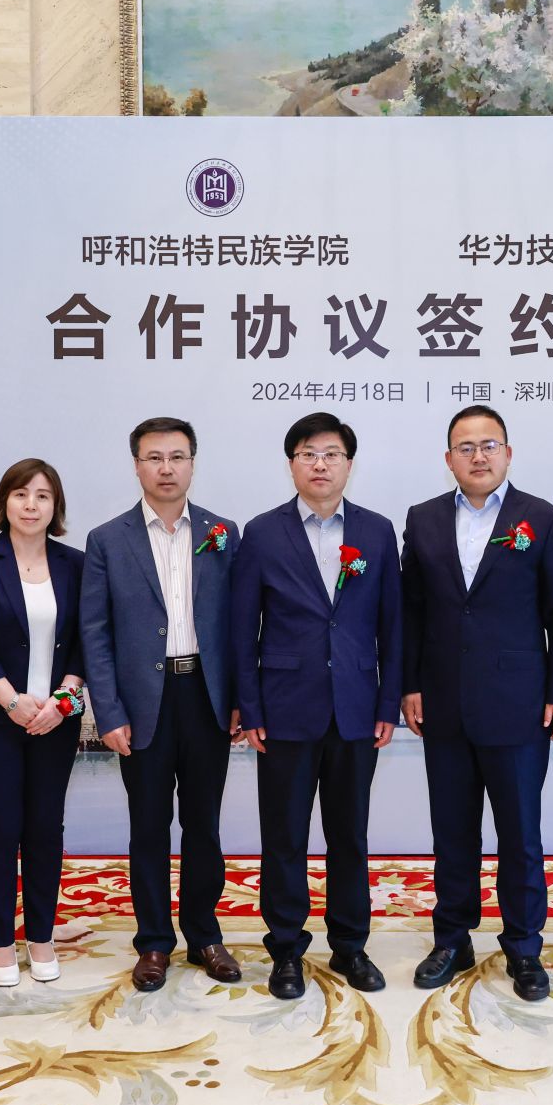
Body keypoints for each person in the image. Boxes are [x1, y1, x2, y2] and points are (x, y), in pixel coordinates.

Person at [400, 405, 553, 1002]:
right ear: (448, 458)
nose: (478, 456)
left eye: (489, 445)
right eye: (466, 447)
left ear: (508, 453)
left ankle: (524, 946)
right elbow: (412, 610)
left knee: (520, 834)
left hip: (519, 703)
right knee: (452, 831)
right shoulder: (423, 519)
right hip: (444, 702)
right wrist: (410, 684)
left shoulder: (542, 518)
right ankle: (452, 938)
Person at [231, 412, 402, 1000]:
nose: (320, 464)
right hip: (284, 709)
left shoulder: (377, 531)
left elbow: (392, 626)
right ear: (292, 465)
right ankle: (285, 948)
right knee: (284, 836)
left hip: (356, 708)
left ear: (349, 464)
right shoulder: (262, 533)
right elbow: (242, 629)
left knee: (349, 835)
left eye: (331, 454)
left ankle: (351, 945)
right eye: (308, 454)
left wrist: (387, 703)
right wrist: (251, 709)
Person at [80, 417, 244, 993]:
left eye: (177, 457)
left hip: (205, 696)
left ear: (192, 463)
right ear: (137, 466)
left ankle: (204, 934)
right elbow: (95, 633)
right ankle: (153, 942)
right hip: (141, 702)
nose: (166, 468)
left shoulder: (223, 532)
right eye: (154, 458)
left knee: (204, 824)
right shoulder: (107, 539)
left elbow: (239, 625)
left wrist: (240, 700)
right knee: (148, 826)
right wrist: (108, 711)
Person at [0, 459, 86, 988]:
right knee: (2, 826)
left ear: (56, 506)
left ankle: (42, 936)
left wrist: (63, 700)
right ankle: (1, 942)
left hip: (56, 718)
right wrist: (11, 702)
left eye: (43, 496)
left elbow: (87, 636)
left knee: (46, 827)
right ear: (4, 501)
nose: (31, 505)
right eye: (21, 494)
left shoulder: (75, 564)